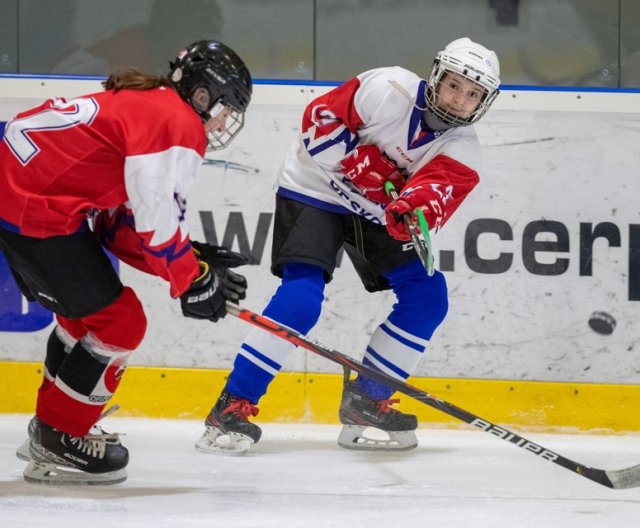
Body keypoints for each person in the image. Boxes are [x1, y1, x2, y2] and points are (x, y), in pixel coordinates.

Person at [195, 37, 501, 455]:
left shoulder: (463, 150)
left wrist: (409, 210)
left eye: (472, 94)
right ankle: (231, 406)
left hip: (376, 214)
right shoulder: (387, 87)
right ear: (436, 76)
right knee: (302, 299)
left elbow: (430, 198)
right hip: (314, 188)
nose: (459, 98)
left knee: (428, 298)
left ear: (483, 102)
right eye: (453, 85)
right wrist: (361, 164)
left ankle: (367, 401)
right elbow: (317, 120)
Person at [0, 40, 252, 484]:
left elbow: (120, 228)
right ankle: (58, 436)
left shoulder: (150, 103)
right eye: (224, 108)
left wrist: (190, 263)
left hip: (26, 201)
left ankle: (53, 425)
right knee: (122, 322)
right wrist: (192, 279)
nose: (222, 122)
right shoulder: (177, 123)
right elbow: (156, 228)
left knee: (86, 320)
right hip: (34, 211)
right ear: (201, 95)